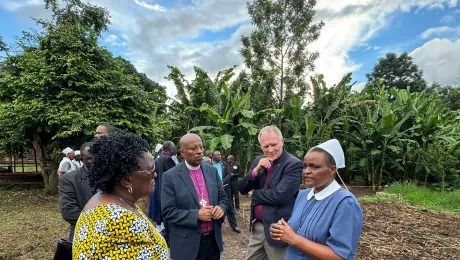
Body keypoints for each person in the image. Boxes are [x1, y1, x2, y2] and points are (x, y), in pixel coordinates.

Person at [72, 131, 169, 260]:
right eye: (150, 169)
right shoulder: (119, 220)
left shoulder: (111, 200)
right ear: (126, 180)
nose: (155, 174)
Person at [270, 139, 364, 260]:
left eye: (314, 167)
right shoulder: (303, 195)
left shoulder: (345, 203)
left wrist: (293, 239)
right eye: (305, 166)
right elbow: (300, 229)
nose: (306, 171)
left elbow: (339, 256)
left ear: (332, 170)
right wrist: (281, 231)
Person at [239, 125, 303, 260]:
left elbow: (279, 195)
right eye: (265, 146)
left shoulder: (293, 164)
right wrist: (256, 170)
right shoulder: (259, 161)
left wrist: (254, 194)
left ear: (282, 141)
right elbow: (242, 189)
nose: (270, 150)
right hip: (258, 226)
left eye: (274, 145)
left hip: (278, 229)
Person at [161, 133, 228, 260]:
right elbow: (168, 212)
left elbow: (223, 199)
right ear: (182, 152)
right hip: (187, 246)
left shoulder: (212, 171)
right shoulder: (170, 176)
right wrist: (196, 215)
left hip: (213, 242)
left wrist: (221, 209)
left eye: (201, 147)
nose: (199, 151)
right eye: (193, 148)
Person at [59, 142, 94, 241]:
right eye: (90, 158)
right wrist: (102, 223)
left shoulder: (112, 177)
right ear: (81, 159)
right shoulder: (69, 180)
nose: (96, 161)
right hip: (85, 236)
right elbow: (68, 211)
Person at [149, 141, 177, 238]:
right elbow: (174, 175)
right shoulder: (168, 159)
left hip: (161, 188)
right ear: (170, 148)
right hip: (167, 189)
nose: (175, 149)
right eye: (174, 147)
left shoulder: (160, 158)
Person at [212, 151, 240, 233]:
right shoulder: (209, 165)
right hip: (214, 189)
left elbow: (229, 174)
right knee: (215, 207)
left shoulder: (224, 164)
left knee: (230, 206)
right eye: (217, 155)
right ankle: (217, 229)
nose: (220, 156)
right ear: (213, 156)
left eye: (220, 154)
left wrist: (223, 182)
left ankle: (234, 225)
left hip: (225, 188)